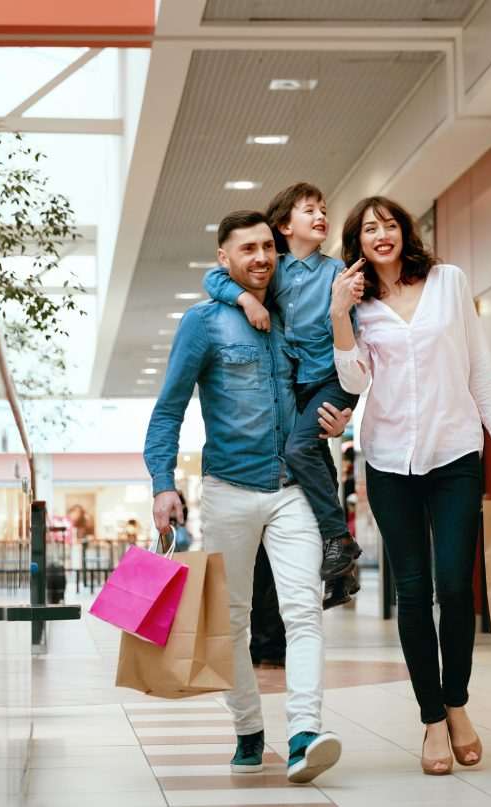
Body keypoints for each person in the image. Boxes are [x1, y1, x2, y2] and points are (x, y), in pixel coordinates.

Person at [145, 210, 352, 784]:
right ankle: (248, 729)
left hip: (293, 488)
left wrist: (339, 419)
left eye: (267, 247)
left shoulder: (291, 313)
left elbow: (328, 378)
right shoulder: (204, 323)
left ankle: (304, 733)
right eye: (247, 249)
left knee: (302, 610)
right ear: (224, 258)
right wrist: (162, 483)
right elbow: (168, 409)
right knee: (232, 619)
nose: (260, 258)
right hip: (228, 489)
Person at [330, 196, 491, 776]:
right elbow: (354, 381)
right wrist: (340, 314)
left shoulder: (448, 282)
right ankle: (433, 720)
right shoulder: (360, 307)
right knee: (412, 593)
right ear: (358, 244)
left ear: (404, 231)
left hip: (455, 451)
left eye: (389, 224)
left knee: (456, 587)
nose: (381, 234)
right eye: (369, 229)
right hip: (389, 460)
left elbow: (478, 364)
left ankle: (456, 702)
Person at [204, 183, 361, 608]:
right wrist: (247, 301)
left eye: (323, 209)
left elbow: (355, 338)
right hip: (298, 383)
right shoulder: (275, 269)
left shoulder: (337, 273)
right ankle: (339, 569)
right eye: (309, 210)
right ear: (284, 226)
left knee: (298, 449)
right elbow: (213, 278)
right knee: (315, 459)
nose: (321, 216)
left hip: (332, 380)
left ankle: (339, 540)